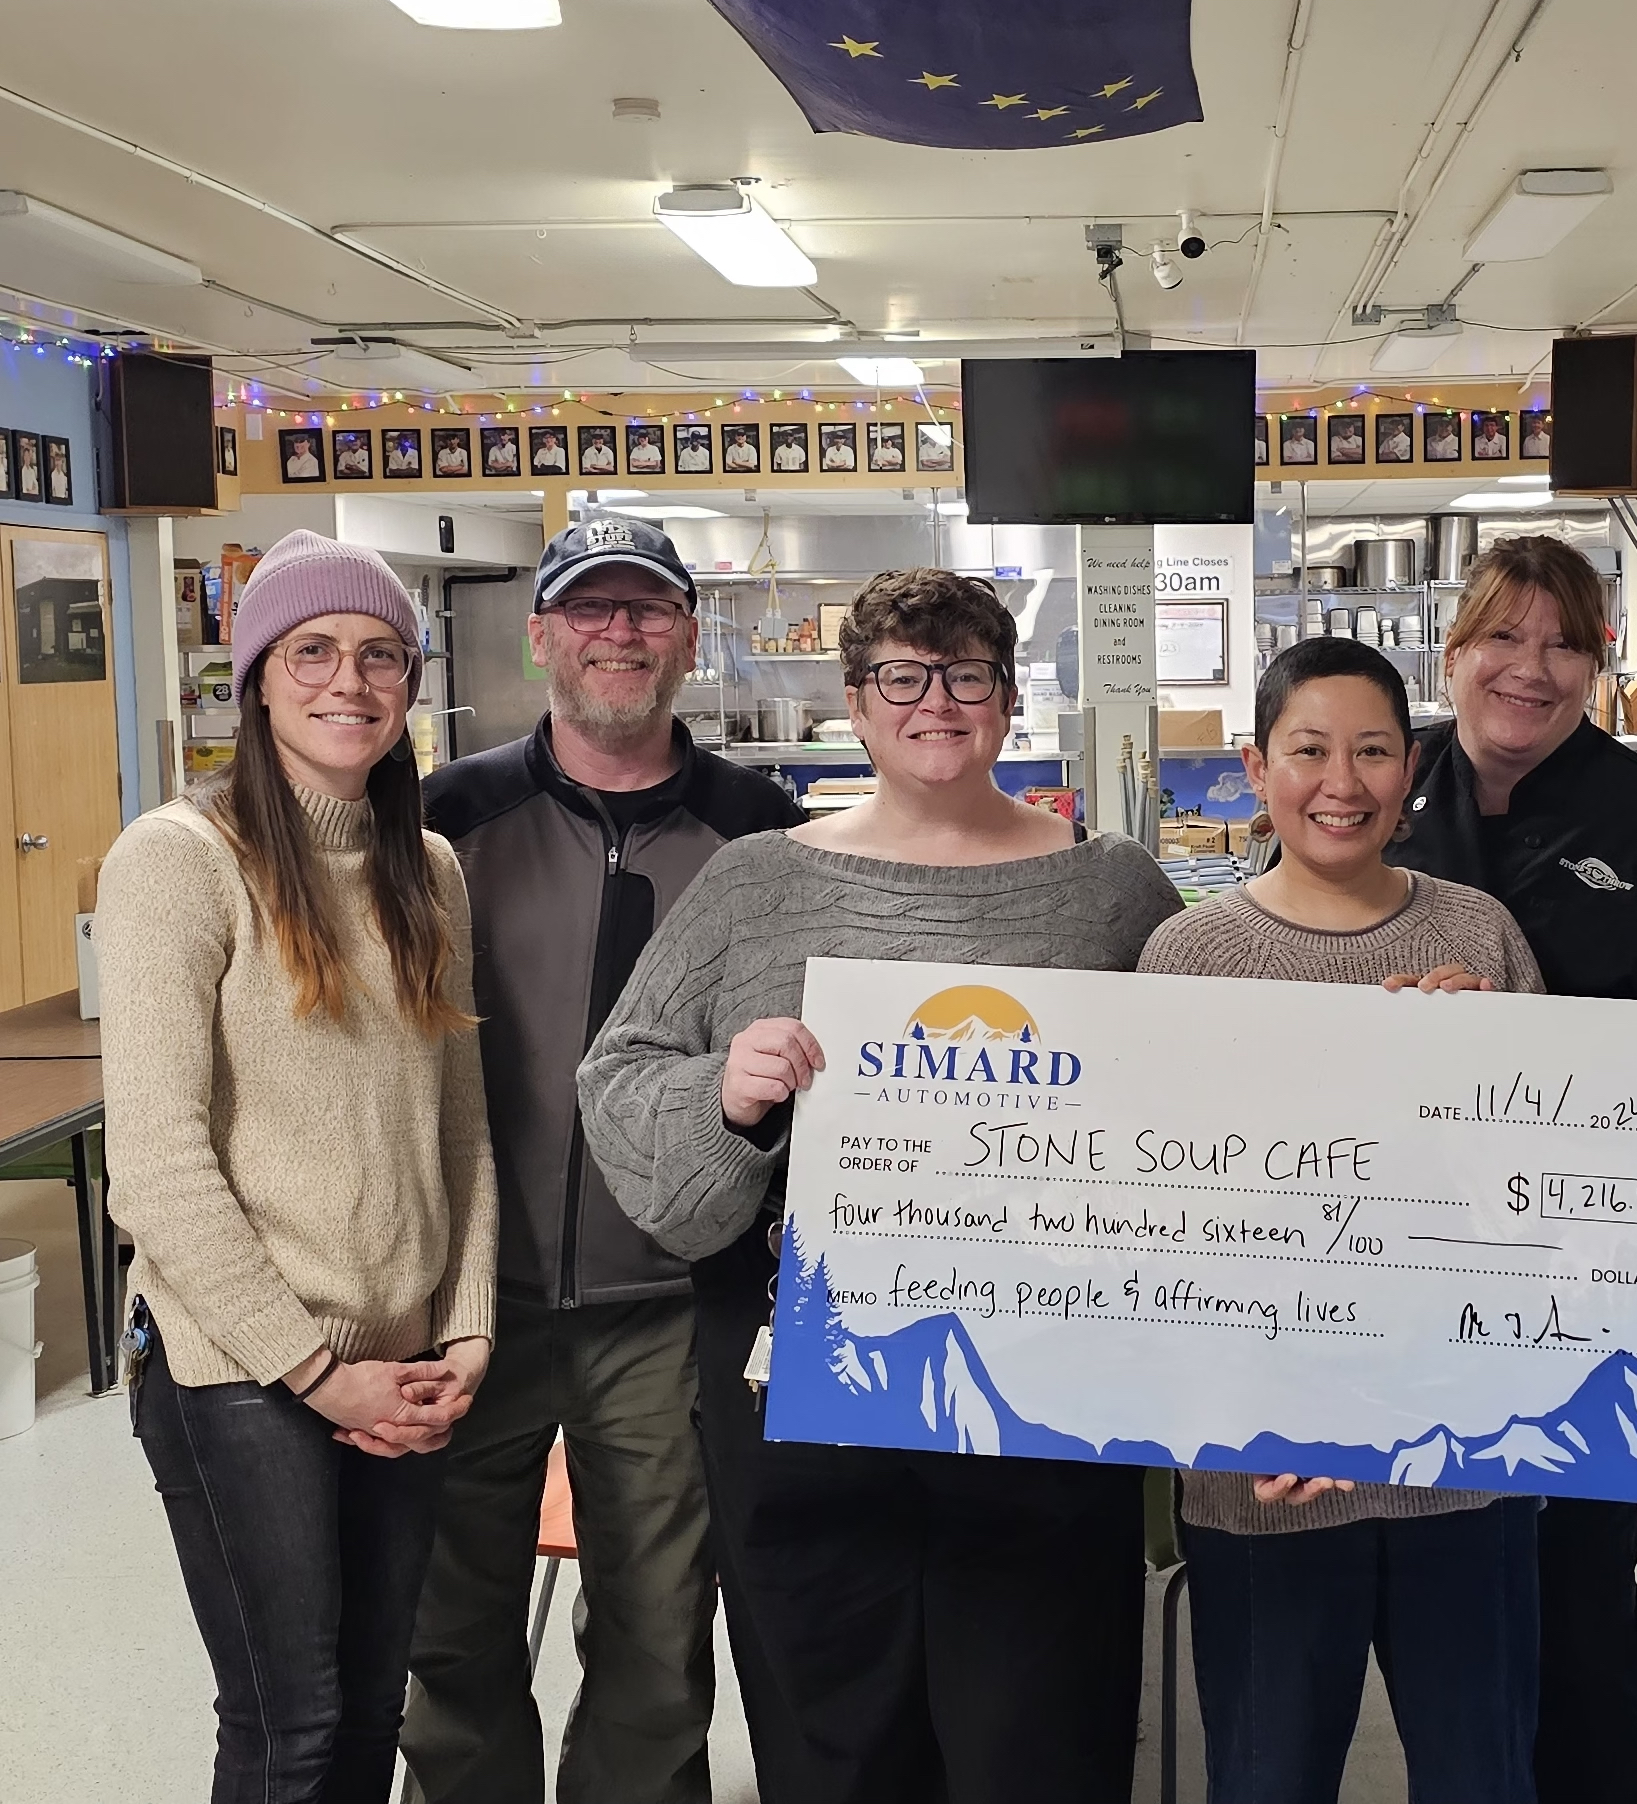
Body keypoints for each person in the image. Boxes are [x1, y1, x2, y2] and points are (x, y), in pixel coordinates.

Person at [578, 567, 1182, 1804]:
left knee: (1041, 1732)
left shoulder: (1111, 888)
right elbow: (620, 1077)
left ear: (1010, 699)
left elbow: (1209, 1096)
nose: (936, 702)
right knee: (836, 1732)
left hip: (1044, 1393)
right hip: (805, 1390)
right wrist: (726, 1094)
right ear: (856, 702)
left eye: (967, 674)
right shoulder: (757, 882)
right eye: (902, 676)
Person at [1386, 533, 1637, 1804]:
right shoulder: (1374, 806)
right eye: (1502, 636)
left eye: (1566, 641)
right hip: (1393, 1277)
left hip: (1587, 1296)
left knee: (1576, 1606)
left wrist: (1537, 1046)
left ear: (1600, 665)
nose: (1532, 667)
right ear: (1452, 651)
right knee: (1434, 1606)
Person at [400, 516, 801, 1804]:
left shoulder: (766, 837)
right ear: (543, 635)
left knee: (654, 1635)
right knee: (446, 1633)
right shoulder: (442, 819)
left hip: (670, 1302)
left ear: (689, 634)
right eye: (591, 609)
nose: (618, 632)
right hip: (463, 1294)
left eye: (646, 610)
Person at [96, 529, 497, 1800]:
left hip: (407, 1357)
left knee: (376, 1706)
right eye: (311, 650)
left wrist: (468, 1329)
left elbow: (462, 1126)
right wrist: (321, 1371)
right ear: (256, 675)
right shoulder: (178, 860)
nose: (349, 681)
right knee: (293, 1723)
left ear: (412, 685)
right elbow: (156, 1166)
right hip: (243, 1371)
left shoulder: (424, 867)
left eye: (382, 654)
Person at [1141, 636, 1546, 1804]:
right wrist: (1240, 1406)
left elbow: (1549, 1200)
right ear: (1256, 767)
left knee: (1482, 1773)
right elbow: (1157, 1228)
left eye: (1372, 750)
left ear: (1410, 765)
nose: (1342, 781)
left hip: (1459, 1467)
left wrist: (1486, 1072)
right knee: (1268, 1776)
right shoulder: (1188, 959)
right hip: (1258, 1481)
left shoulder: (1479, 936)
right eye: (1309, 750)